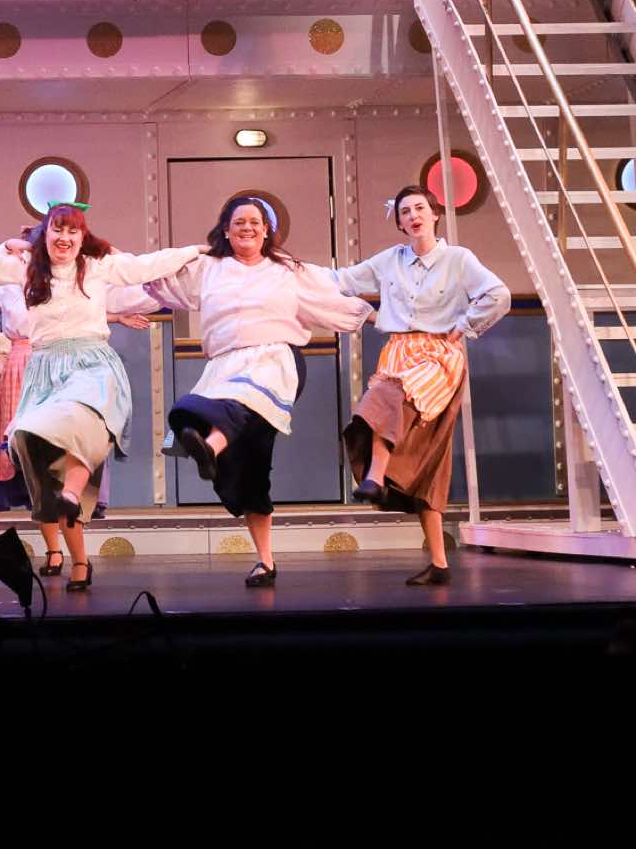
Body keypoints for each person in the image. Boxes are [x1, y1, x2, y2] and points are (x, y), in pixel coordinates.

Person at [0, 205, 206, 591]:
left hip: (90, 366)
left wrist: (193, 251)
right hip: (43, 370)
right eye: (58, 230)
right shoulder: (25, 267)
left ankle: (73, 502)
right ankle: (67, 534)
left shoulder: (97, 266)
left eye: (73, 232)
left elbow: (145, 266)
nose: (65, 239)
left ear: (82, 237)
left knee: (82, 422)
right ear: (45, 235)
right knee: (26, 438)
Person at [137, 196, 373, 586]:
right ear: (226, 231)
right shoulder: (208, 269)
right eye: (239, 222)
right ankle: (265, 560)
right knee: (245, 464)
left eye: (255, 222)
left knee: (240, 403)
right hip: (225, 367)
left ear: (266, 231)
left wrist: (388, 316)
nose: (247, 227)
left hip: (275, 361)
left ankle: (209, 447)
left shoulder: (289, 271)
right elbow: (152, 280)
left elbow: (335, 292)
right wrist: (180, 254)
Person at [327, 184, 508, 585]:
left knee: (386, 396)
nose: (413, 216)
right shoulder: (391, 259)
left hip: (439, 355)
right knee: (429, 456)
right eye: (405, 211)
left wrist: (465, 324)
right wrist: (289, 271)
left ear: (435, 214)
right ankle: (439, 563)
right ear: (400, 222)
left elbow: (498, 294)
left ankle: (375, 476)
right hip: (397, 351)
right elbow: (342, 280)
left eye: (420, 208)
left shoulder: (458, 259)